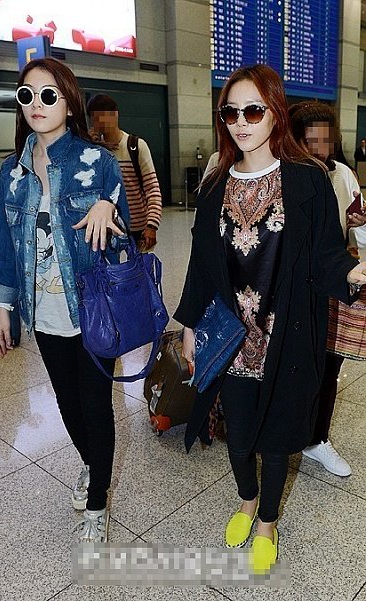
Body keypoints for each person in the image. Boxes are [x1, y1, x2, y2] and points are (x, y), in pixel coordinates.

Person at [173, 64, 366, 574]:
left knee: (278, 438)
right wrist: (189, 327)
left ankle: (267, 521)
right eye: (231, 112)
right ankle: (246, 499)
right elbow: (200, 265)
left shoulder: (307, 180)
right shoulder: (215, 185)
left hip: (288, 334)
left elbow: (326, 255)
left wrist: (354, 270)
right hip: (232, 339)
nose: (241, 122)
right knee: (238, 437)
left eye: (253, 111)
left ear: (275, 113)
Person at [0, 58, 130, 544]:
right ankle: (93, 465)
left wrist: (109, 206)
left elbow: (124, 240)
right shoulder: (10, 174)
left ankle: (98, 502)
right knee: (67, 403)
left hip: (93, 308)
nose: (36, 104)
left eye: (48, 95)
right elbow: (3, 247)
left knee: (96, 405)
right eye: (26, 95)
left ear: (69, 104)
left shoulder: (98, 163)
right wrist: (4, 307)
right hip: (44, 312)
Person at [289, 101, 366, 477]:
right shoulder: (279, 175)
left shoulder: (343, 176)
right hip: (287, 288)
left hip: (329, 286)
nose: (320, 149)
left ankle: (316, 439)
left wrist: (357, 224)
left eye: (326, 140)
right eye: (310, 141)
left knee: (327, 365)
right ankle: (280, 435)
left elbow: (357, 230)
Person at [86, 93, 162, 250]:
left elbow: (152, 188)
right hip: (107, 228)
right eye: (96, 119)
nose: (100, 123)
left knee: (139, 266)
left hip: (138, 229)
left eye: (104, 117)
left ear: (115, 115)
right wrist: (87, 147)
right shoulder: (93, 150)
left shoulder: (136, 146)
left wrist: (152, 225)